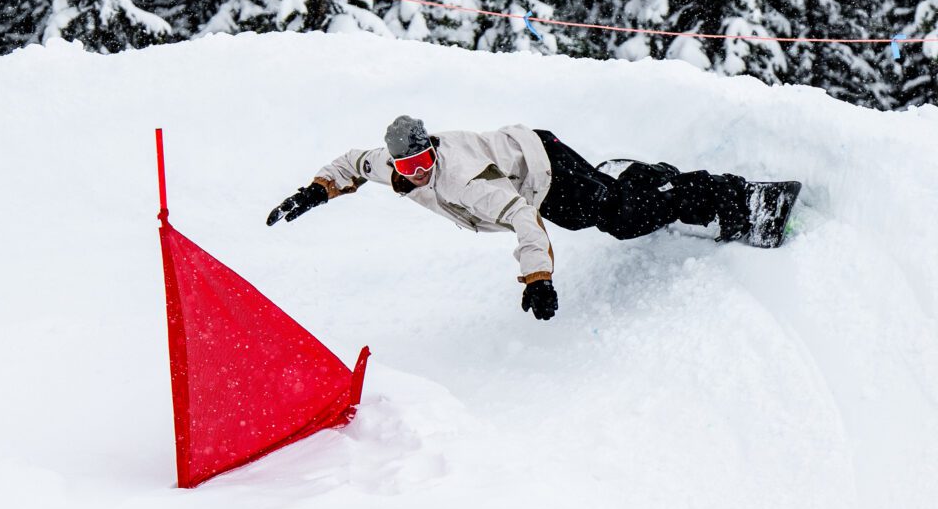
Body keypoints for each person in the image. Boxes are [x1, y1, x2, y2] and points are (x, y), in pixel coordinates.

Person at [267, 116, 755, 321]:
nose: (417, 174)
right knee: (595, 215)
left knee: (622, 220)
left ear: (432, 149)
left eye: (423, 162)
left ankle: (724, 195)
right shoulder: (392, 167)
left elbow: (523, 218)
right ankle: (637, 178)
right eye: (407, 167)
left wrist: (537, 278)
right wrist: (316, 191)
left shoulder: (465, 179)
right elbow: (352, 163)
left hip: (543, 166)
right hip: (524, 169)